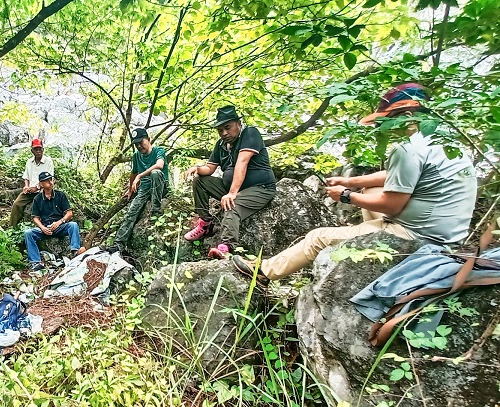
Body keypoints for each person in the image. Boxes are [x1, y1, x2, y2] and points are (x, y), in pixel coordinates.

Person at [232, 83, 478, 283]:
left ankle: (264, 271)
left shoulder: (408, 150)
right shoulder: (447, 144)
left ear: (407, 115)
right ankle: (367, 236)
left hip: (417, 235)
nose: (385, 126)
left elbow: (392, 205)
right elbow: (397, 177)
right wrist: (350, 181)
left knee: (318, 237)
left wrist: (346, 196)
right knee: (370, 188)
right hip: (446, 233)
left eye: (389, 118)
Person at [183, 105, 276, 259]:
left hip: (260, 188)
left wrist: (232, 193)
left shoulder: (250, 133)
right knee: (200, 181)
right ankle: (206, 224)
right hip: (231, 187)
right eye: (220, 130)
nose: (224, 133)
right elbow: (210, 168)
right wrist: (197, 168)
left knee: (231, 204)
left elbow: (242, 162)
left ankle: (226, 247)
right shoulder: (220, 145)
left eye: (228, 127)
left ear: (238, 124)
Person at [112, 128, 169, 251]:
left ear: (148, 140)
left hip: (160, 187)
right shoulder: (137, 156)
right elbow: (133, 173)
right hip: (144, 188)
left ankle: (156, 209)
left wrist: (140, 175)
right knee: (131, 212)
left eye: (141, 142)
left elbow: (160, 165)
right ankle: (118, 244)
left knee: (155, 173)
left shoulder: (159, 151)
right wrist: (130, 188)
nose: (139, 146)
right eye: (136, 144)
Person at [24, 172, 85, 271]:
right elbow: (35, 217)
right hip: (45, 228)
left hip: (59, 226)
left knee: (73, 225)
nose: (50, 182)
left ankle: (75, 251)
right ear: (41, 184)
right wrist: (42, 228)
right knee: (28, 233)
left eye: (51, 179)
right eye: (47, 181)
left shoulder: (60, 195)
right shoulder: (37, 199)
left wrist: (59, 222)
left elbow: (69, 213)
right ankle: (35, 262)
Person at [10, 138, 54, 228]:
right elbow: (26, 176)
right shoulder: (29, 162)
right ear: (32, 151)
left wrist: (37, 187)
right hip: (30, 191)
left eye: (39, 149)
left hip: (43, 190)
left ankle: (43, 227)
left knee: (39, 207)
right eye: (35, 149)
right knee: (17, 204)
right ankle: (12, 227)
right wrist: (26, 186)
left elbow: (49, 179)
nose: (38, 151)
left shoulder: (48, 162)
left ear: (43, 149)